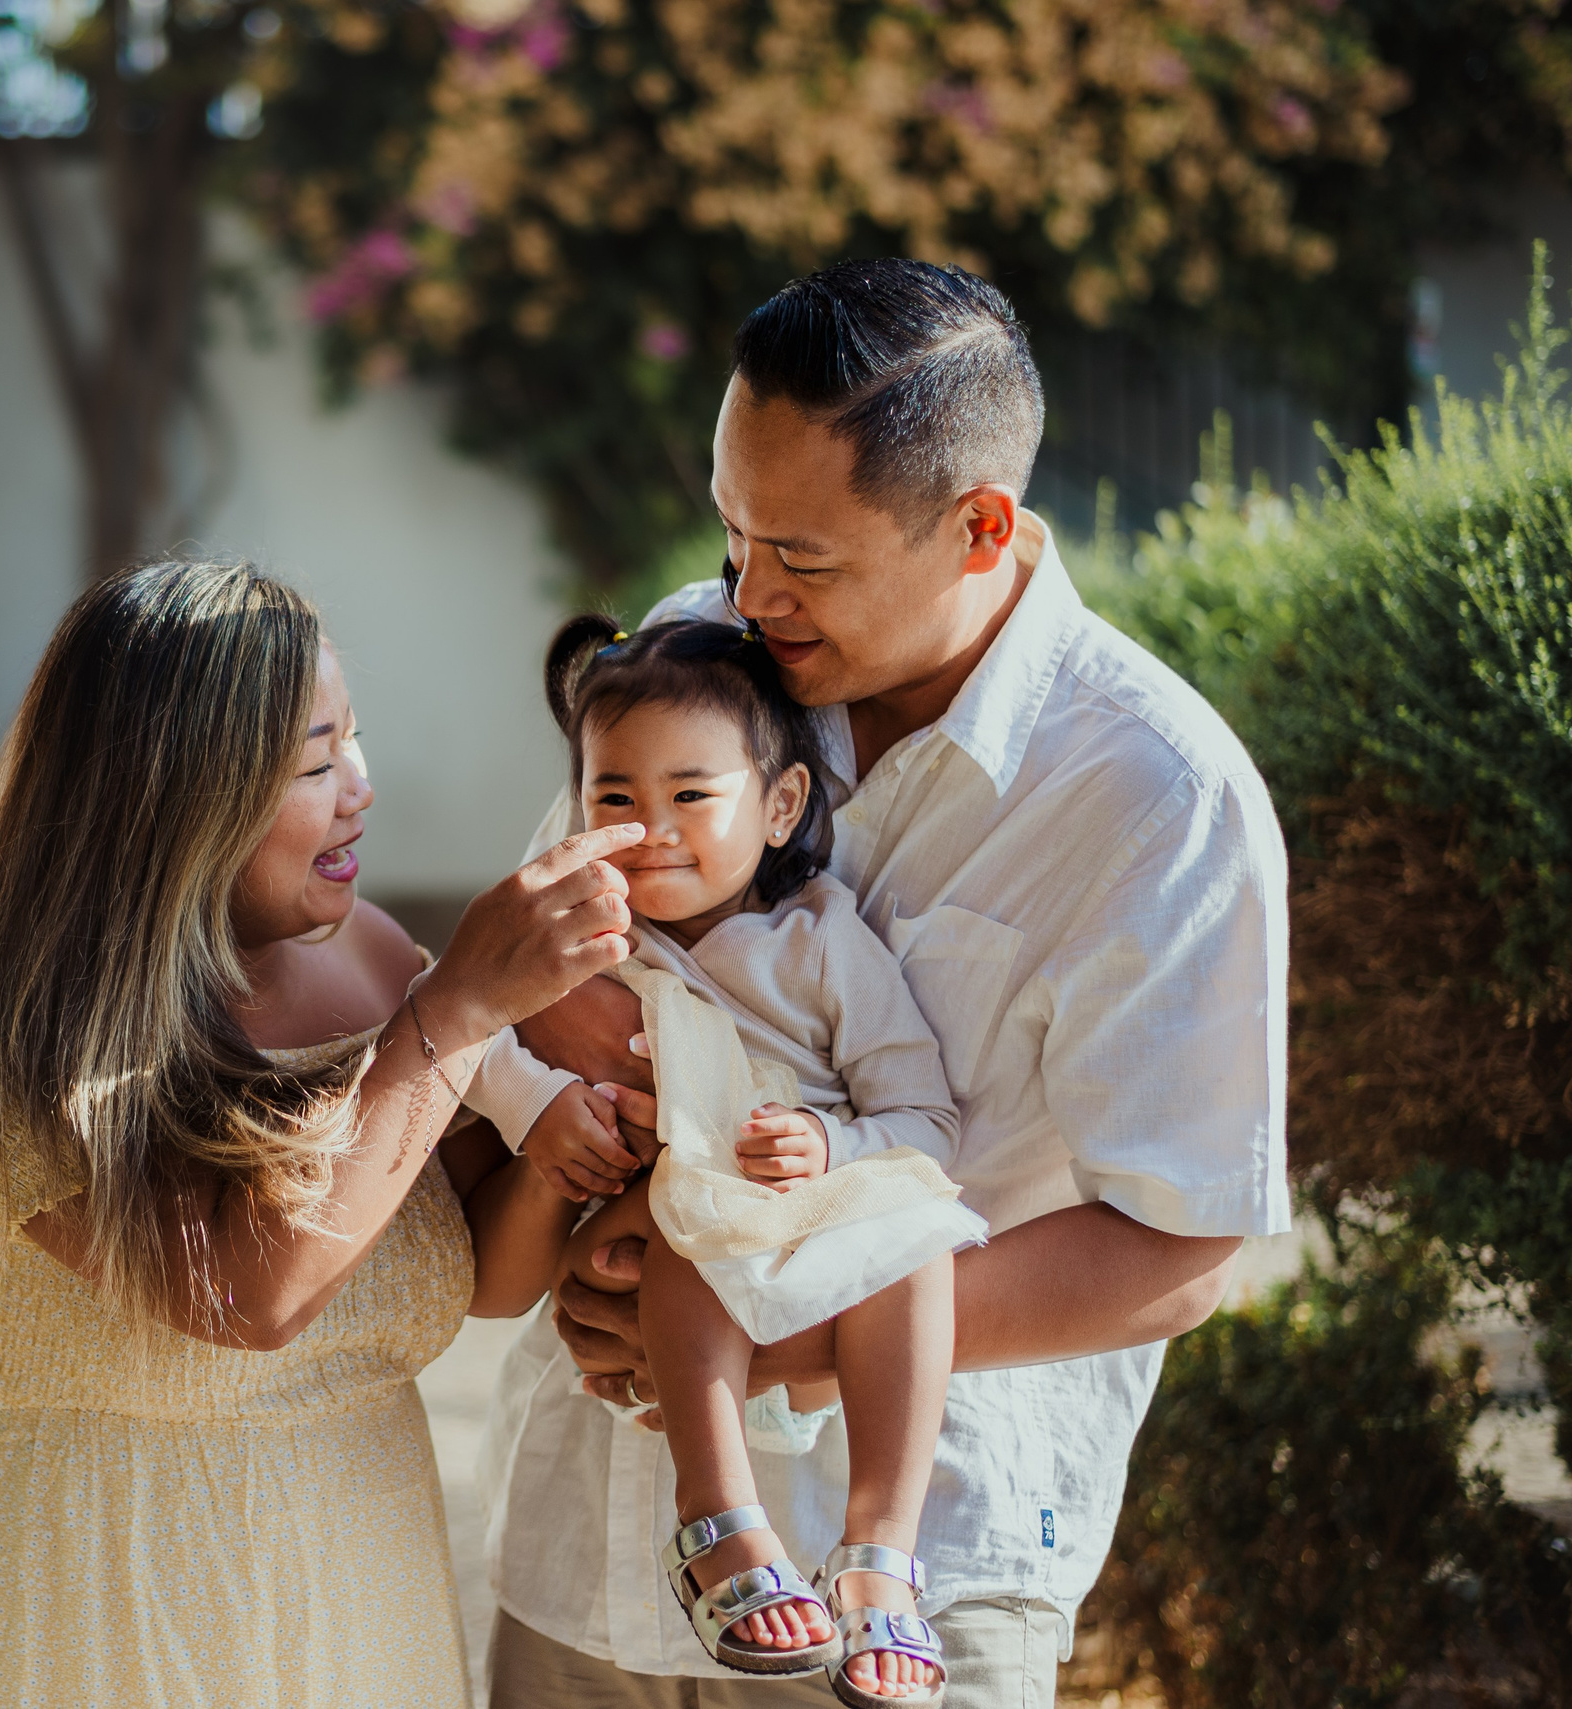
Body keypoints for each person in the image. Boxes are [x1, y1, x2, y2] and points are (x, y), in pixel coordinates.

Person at [480, 260, 1290, 1708]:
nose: (743, 591)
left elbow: (1184, 1245)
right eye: (732, 530)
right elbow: (542, 969)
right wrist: (609, 1228)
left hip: (918, 1595)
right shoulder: (699, 657)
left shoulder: (1157, 797)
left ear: (980, 526)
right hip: (583, 1551)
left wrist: (778, 1328)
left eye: (802, 556)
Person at [0, 558, 646, 1709]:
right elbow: (251, 1294)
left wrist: (570, 1137)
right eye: (316, 762)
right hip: (92, 1605)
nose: (362, 788)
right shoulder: (27, 1039)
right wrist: (458, 1010)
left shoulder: (372, 957)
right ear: (176, 799)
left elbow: (471, 1261)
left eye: (356, 740)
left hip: (354, 1592)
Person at [463, 615, 983, 1706]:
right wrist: (541, 1101)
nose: (649, 827)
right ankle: (720, 1524)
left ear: (780, 803)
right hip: (670, 1246)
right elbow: (462, 1034)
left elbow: (925, 1123)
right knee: (688, 1231)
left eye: (692, 795)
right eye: (614, 797)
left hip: (814, 1224)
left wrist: (830, 1143)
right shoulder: (577, 938)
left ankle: (878, 1554)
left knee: (918, 1236)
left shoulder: (819, 942)